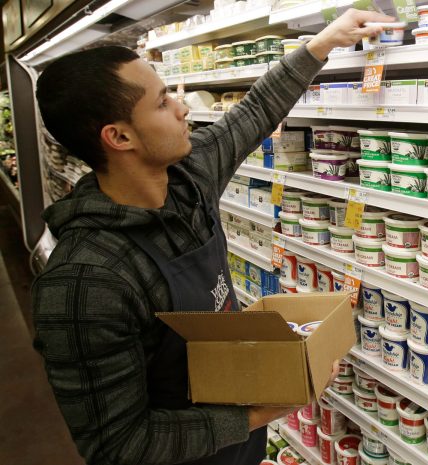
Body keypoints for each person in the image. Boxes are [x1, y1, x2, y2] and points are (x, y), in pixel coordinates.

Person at [31, 9, 392, 465]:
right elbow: (116, 445)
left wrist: (323, 42)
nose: (183, 107)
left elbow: (255, 111)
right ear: (119, 136)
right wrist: (261, 412)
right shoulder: (84, 282)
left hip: (237, 449)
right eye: (162, 103)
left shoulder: (187, 179)